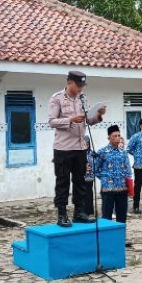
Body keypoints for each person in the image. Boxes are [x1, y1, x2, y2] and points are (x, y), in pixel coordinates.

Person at [48, 71, 106, 227]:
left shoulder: (83, 99)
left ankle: (79, 213)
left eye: (82, 85)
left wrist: (99, 115)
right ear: (69, 82)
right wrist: (70, 119)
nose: (81, 88)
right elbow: (52, 121)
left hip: (80, 147)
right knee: (63, 182)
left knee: (80, 181)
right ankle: (62, 214)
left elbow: (89, 120)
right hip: (63, 148)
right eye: (78, 85)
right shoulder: (57, 98)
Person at [95, 125, 132, 224]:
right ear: (109, 138)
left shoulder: (123, 153)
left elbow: (128, 171)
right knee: (107, 218)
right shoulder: (102, 152)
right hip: (108, 190)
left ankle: (120, 238)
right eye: (114, 136)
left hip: (122, 189)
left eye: (119, 136)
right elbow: (95, 168)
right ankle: (107, 239)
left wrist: (129, 185)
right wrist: (104, 177)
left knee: (122, 218)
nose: (117, 138)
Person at [84, 135, 97, 218]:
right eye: (84, 144)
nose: (86, 146)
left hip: (90, 177)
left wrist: (91, 165)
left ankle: (90, 212)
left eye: (87, 144)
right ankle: (82, 212)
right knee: (82, 194)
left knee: (89, 194)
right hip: (81, 177)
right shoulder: (78, 153)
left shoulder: (92, 153)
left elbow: (96, 164)